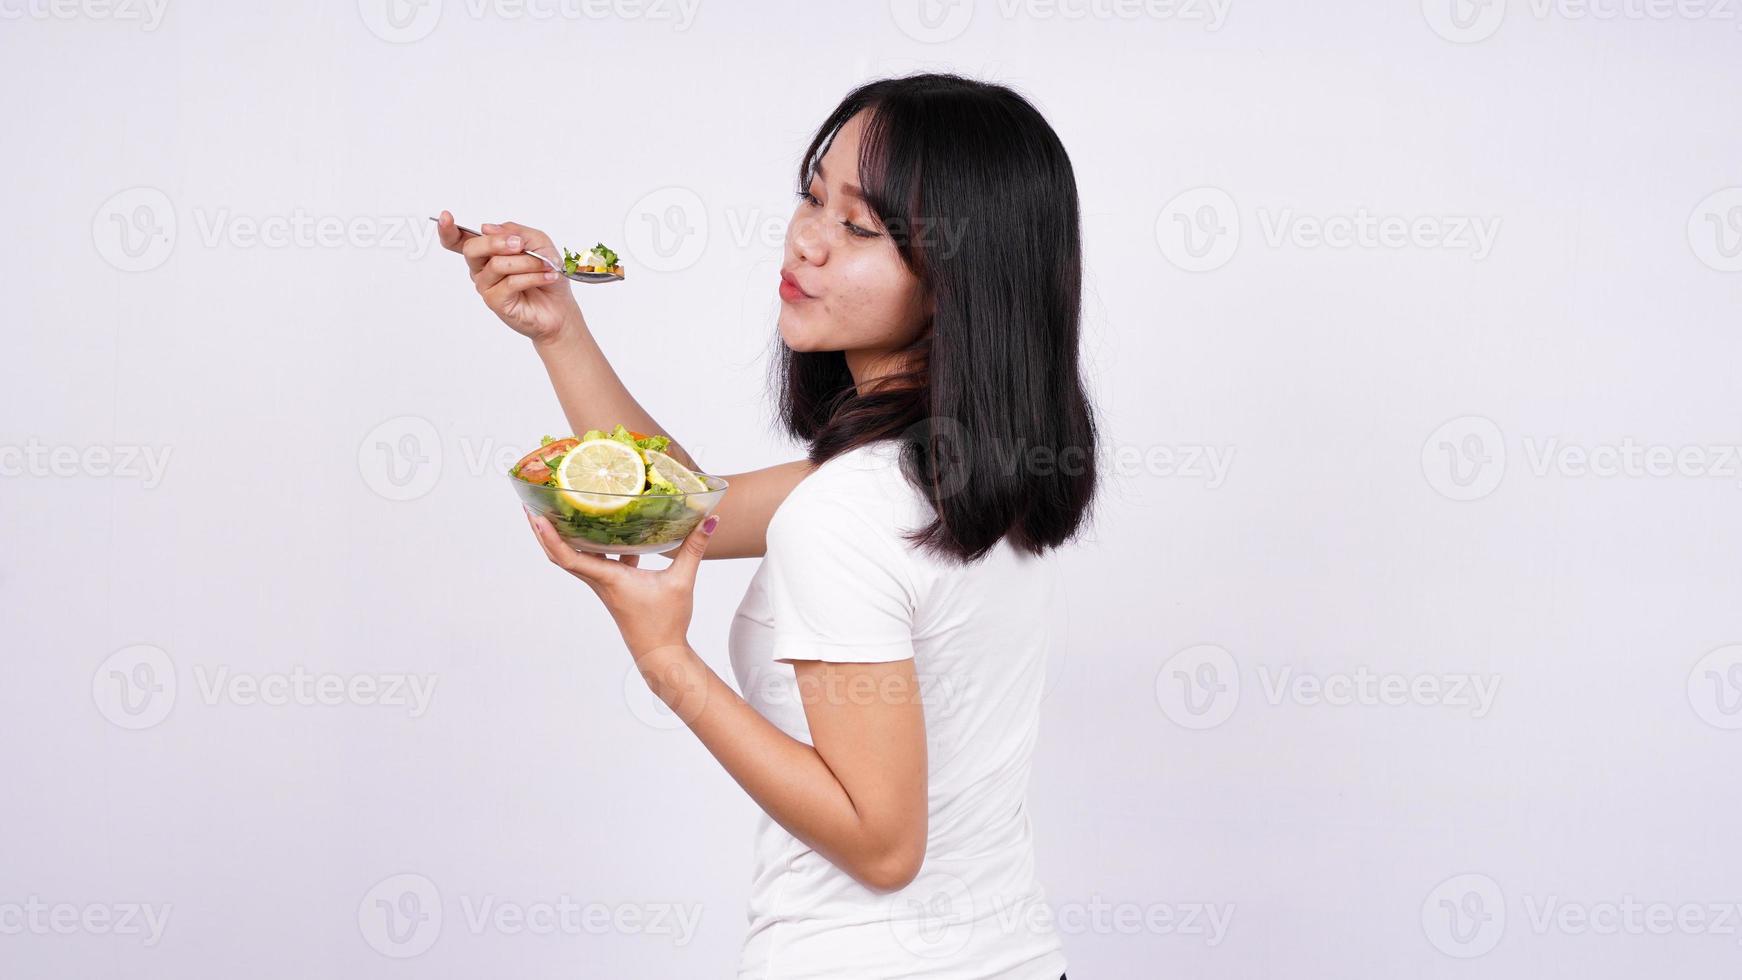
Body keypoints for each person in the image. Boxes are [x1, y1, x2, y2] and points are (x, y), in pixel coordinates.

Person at [438, 70, 1096, 980]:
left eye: (859, 227)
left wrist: (667, 661)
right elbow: (674, 510)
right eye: (813, 194)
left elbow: (881, 845)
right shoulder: (965, 475)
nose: (808, 240)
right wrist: (560, 329)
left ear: (958, 280)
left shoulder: (851, 508)